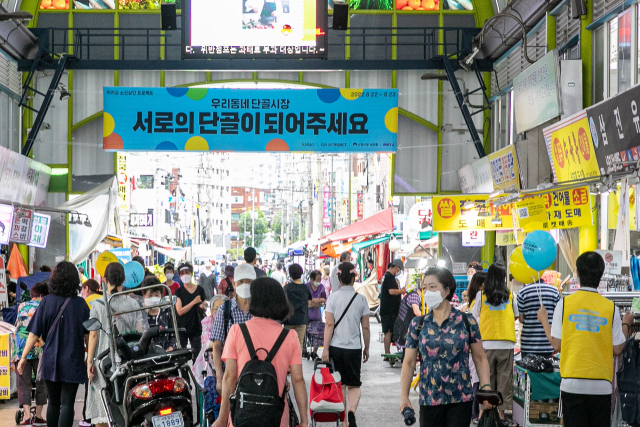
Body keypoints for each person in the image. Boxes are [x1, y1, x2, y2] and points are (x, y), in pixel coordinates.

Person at [538, 251, 633, 427]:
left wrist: (544, 320)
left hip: (571, 385)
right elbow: (617, 349)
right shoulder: (610, 308)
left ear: (578, 273)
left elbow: (556, 345)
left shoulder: (564, 304)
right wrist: (626, 324)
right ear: (601, 275)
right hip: (601, 386)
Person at [400, 266, 493, 427]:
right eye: (424, 288)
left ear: (446, 290)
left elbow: (480, 358)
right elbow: (408, 363)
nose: (427, 291)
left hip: (460, 399)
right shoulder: (418, 324)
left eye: (432, 287)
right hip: (429, 399)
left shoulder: (467, 321)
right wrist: (404, 397)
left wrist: (486, 389)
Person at [213, 277, 309, 427]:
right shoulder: (290, 336)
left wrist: (222, 419)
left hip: (242, 417)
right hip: (276, 418)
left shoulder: (237, 331)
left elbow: (230, 378)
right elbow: (298, 380)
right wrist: (304, 421)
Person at [18, 261, 90, 427]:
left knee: (54, 403)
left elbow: (33, 334)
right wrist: (89, 359)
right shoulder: (81, 304)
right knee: (67, 404)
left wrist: (23, 357)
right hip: (73, 359)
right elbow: (89, 334)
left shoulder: (46, 302)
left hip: (51, 360)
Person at [86, 262, 146, 427]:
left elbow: (93, 335)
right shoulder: (133, 303)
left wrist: (89, 361)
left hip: (105, 362)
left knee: (102, 406)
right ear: (124, 279)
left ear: (104, 279)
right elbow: (139, 331)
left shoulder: (98, 305)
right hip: (127, 360)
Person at [322, 262, 370, 427]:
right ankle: (351, 412)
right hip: (354, 348)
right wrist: (367, 348)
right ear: (354, 278)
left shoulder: (332, 298)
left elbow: (329, 324)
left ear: (339, 278)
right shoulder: (361, 300)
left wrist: (325, 349)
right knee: (354, 384)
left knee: (340, 384)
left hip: (336, 347)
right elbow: (365, 327)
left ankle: (344, 420)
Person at [471, 263, 518, 421]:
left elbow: (474, 315)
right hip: (506, 342)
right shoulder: (510, 295)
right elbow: (516, 314)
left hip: (486, 343)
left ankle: (483, 413)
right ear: (504, 278)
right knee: (504, 380)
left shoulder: (481, 295)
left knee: (486, 379)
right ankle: (501, 414)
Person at [210, 262, 254, 394]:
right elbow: (216, 346)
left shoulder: (262, 310)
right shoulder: (224, 310)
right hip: (231, 374)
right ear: (234, 284)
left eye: (249, 282)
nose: (245, 285)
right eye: (241, 282)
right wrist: (219, 376)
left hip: (257, 373)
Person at [13, 281, 49, 426]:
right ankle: (39, 416)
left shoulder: (21, 306)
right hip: (39, 349)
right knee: (41, 383)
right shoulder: (43, 305)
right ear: (42, 295)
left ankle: (27, 417)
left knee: (23, 384)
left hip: (21, 350)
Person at [463, 271, 486, 422]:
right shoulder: (477, 300)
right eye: (484, 284)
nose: (486, 287)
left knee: (476, 378)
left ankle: (475, 413)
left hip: (476, 345)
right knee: (476, 379)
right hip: (476, 345)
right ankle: (475, 413)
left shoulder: (476, 300)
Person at [517, 277, 560, 358]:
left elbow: (521, 319)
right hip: (548, 344)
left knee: (528, 370)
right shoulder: (554, 291)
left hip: (528, 345)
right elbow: (557, 319)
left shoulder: (522, 292)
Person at [194, 295, 228, 387]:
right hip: (208, 366)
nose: (221, 311)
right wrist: (217, 345)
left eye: (224, 307)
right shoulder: (207, 322)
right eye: (217, 308)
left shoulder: (232, 320)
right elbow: (207, 341)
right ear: (212, 310)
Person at [175, 262, 206, 363]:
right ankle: (185, 377)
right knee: (182, 357)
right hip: (182, 328)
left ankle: (197, 377)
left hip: (196, 327)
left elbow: (204, 304)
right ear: (179, 276)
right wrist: (194, 302)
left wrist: (203, 306)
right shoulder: (178, 292)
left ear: (191, 273)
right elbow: (179, 311)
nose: (185, 275)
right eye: (182, 273)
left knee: (197, 357)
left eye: (187, 272)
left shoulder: (200, 290)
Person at [141, 276, 176, 351]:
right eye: (150, 295)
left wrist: (169, 349)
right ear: (144, 295)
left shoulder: (167, 311)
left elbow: (174, 335)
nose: (153, 299)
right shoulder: (140, 313)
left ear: (161, 295)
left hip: (166, 355)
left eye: (157, 295)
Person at [380, 259, 406, 358]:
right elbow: (391, 291)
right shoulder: (389, 277)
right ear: (396, 268)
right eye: (399, 269)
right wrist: (402, 291)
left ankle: (389, 353)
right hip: (388, 311)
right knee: (388, 332)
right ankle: (387, 354)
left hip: (390, 310)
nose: (398, 272)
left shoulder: (388, 277)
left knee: (390, 331)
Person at [284, 263, 312, 350]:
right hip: (302, 319)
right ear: (301, 273)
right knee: (299, 344)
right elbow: (309, 303)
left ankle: (288, 362)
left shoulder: (287, 287)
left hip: (289, 320)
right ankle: (297, 362)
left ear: (290, 274)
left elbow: (283, 302)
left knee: (288, 344)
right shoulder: (306, 287)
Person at [393, 279, 423, 348]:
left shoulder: (414, 294)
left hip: (403, 329)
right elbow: (417, 312)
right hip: (402, 331)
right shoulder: (414, 296)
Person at [306, 270, 327, 357]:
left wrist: (312, 302)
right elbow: (306, 301)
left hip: (317, 314)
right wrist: (317, 301)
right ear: (312, 279)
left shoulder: (321, 287)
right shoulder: (306, 286)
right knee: (305, 333)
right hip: (307, 315)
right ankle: (305, 350)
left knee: (319, 333)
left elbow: (323, 300)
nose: (319, 281)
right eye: (317, 279)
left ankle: (314, 352)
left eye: (319, 279)